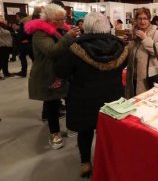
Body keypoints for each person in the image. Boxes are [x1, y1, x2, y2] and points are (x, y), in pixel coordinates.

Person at [54, 12, 128, 178]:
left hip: (84, 97)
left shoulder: (75, 48)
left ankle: (85, 163)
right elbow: (124, 65)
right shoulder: (121, 46)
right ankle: (108, 161)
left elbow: (61, 71)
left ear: (86, 26)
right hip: (113, 96)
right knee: (109, 132)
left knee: (85, 131)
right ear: (106, 25)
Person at [25, 4, 80, 150]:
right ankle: (54, 133)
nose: (64, 21)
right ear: (49, 19)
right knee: (52, 103)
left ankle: (71, 126)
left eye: (64, 18)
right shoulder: (39, 33)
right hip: (48, 73)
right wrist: (68, 37)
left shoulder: (61, 28)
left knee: (70, 99)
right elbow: (52, 51)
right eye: (59, 19)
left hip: (64, 72)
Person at [125, 8, 158, 98]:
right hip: (133, 77)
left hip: (149, 78)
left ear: (149, 19)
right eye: (139, 18)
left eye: (145, 18)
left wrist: (145, 38)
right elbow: (130, 53)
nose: (142, 21)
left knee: (147, 101)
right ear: (136, 19)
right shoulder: (134, 33)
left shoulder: (156, 33)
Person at [15, 12, 33, 77]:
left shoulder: (26, 22)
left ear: (21, 16)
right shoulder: (23, 22)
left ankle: (26, 72)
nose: (16, 18)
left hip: (26, 43)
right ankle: (24, 72)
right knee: (24, 57)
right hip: (24, 43)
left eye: (17, 16)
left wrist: (28, 39)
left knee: (29, 57)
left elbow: (29, 32)